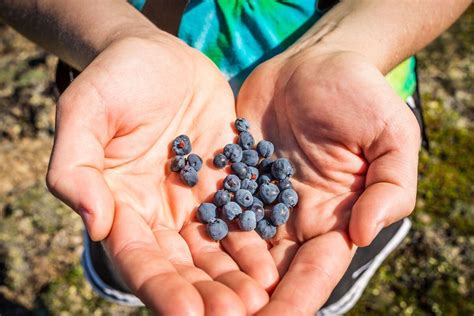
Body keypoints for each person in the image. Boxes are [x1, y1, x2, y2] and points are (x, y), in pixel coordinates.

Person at [0, 1, 469, 314]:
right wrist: (119, 36)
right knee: (148, 266)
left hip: (334, 141)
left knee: (320, 267)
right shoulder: (184, 169)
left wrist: (349, 47)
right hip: (142, 144)